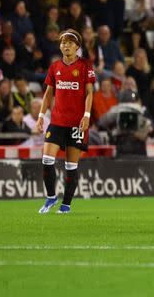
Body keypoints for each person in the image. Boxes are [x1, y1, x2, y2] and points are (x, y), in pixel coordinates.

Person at [36, 29, 95, 214]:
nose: (66, 46)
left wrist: (86, 115)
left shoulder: (85, 66)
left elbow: (89, 93)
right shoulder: (54, 67)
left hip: (77, 123)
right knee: (46, 160)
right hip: (57, 121)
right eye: (63, 43)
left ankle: (66, 204)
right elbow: (48, 94)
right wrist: (40, 115)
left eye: (70, 42)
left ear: (77, 46)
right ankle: (51, 197)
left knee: (71, 165)